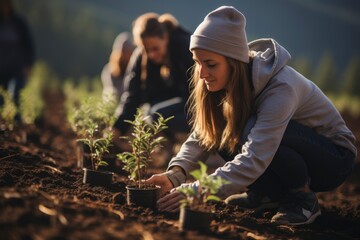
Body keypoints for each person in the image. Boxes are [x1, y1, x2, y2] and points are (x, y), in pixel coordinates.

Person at [146, 6, 357, 226]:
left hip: (333, 159)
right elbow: (202, 135)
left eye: (210, 64)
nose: (201, 73)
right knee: (219, 128)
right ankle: (268, 194)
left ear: (233, 62)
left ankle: (302, 201)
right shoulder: (224, 82)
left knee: (251, 129)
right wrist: (175, 174)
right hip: (292, 148)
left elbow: (256, 156)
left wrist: (197, 191)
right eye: (197, 62)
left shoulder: (280, 87)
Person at [113, 13, 193, 136]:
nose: (151, 55)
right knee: (149, 112)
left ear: (165, 38)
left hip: (197, 105)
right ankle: (172, 143)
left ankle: (192, 140)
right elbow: (133, 96)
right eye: (146, 49)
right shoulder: (141, 56)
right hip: (179, 103)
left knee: (156, 114)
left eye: (155, 49)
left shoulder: (185, 46)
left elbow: (197, 93)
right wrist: (116, 130)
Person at [0, 0, 35, 109]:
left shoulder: (19, 24)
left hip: (17, 68)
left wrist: (28, 64)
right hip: (1, 69)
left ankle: (16, 122)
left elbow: (29, 45)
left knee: (15, 94)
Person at [101, 32, 135, 101]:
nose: (125, 55)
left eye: (127, 51)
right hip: (114, 101)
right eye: (123, 51)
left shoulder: (134, 68)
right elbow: (113, 90)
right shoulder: (109, 70)